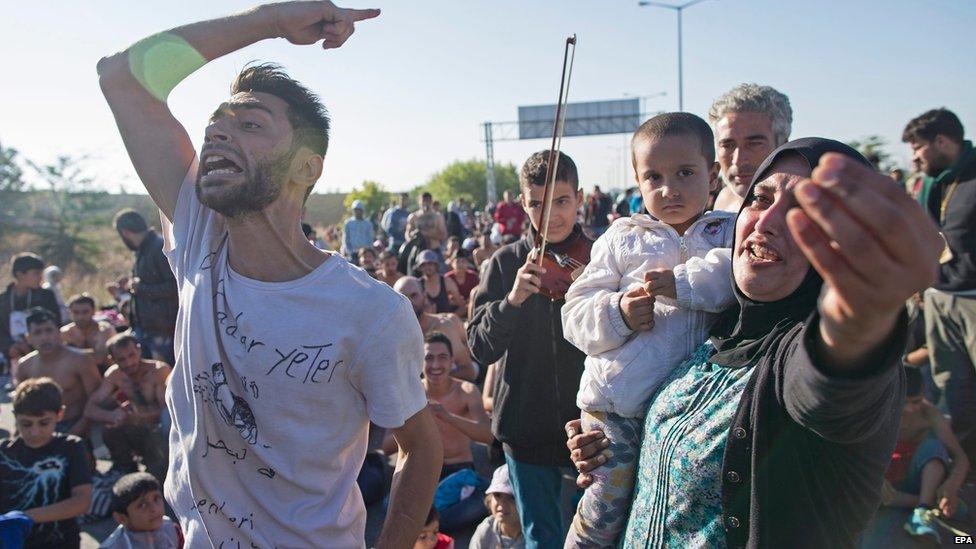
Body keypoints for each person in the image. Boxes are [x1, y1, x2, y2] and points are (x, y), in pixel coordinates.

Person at [97, 3, 442, 545]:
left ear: (307, 167)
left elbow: (421, 446)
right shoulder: (197, 235)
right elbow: (122, 77)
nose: (217, 134)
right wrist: (272, 21)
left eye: (250, 124)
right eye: (215, 124)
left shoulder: (372, 313)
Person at [567, 138, 941, 547]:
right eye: (760, 200)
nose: (766, 222)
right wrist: (610, 441)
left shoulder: (802, 354)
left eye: (804, 211)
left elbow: (829, 388)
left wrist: (859, 312)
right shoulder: (715, 328)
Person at [562, 113, 735, 547]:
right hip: (616, 407)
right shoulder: (621, 238)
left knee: (660, 520)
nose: (669, 188)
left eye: (685, 173)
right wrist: (618, 312)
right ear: (637, 182)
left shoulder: (728, 234)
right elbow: (574, 314)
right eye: (653, 177)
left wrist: (683, 283)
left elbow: (735, 274)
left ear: (712, 175)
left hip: (687, 417)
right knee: (601, 518)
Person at [468, 150, 589, 548]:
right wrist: (511, 302)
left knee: (600, 532)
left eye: (562, 201)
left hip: (591, 427)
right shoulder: (505, 263)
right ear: (523, 203)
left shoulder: (601, 257)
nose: (549, 215)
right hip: (524, 428)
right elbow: (480, 348)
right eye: (537, 203)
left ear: (580, 198)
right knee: (542, 537)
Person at [902, 109, 976, 462]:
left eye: (918, 148)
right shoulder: (932, 183)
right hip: (940, 298)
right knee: (953, 390)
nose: (914, 157)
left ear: (943, 142)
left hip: (973, 302)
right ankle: (964, 472)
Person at [384, 332, 492, 532]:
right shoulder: (409, 393)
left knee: (482, 499)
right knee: (387, 506)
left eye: (442, 358)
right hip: (420, 469)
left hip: (458, 469)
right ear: (419, 361)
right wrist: (417, 423)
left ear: (452, 361)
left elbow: (487, 435)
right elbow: (386, 446)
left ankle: (424, 525)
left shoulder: (466, 391)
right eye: (428, 358)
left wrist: (447, 416)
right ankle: (426, 525)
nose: (435, 365)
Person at [0, 378, 93, 549]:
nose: (34, 432)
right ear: (15, 416)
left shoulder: (71, 447)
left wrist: (25, 517)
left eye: (44, 423)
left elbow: (82, 500)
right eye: (26, 424)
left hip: (61, 543)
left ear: (60, 414)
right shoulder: (4, 452)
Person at [880, 367, 969, 544]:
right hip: (885, 485)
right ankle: (930, 505)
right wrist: (875, 480)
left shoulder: (930, 414)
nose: (911, 409)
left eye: (917, 401)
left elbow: (961, 459)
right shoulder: (877, 413)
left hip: (917, 479)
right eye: (904, 402)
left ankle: (922, 510)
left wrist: (951, 486)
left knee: (933, 447)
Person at [84, 333, 171, 480]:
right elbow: (90, 409)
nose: (129, 363)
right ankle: (126, 469)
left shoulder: (158, 371)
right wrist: (113, 416)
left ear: (139, 350)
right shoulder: (114, 375)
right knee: (109, 431)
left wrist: (141, 417)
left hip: (159, 430)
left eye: (131, 355)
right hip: (135, 425)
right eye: (122, 359)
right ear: (112, 360)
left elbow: (167, 410)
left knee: (158, 471)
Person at [16, 308, 101, 438]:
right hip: (37, 430)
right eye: (37, 333)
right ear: (29, 338)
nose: (44, 338)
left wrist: (74, 433)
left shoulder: (81, 360)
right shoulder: (24, 366)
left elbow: (96, 401)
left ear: (58, 333)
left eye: (49, 330)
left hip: (74, 426)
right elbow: (21, 407)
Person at [708, 83, 793, 212]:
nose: (738, 160)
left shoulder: (805, 208)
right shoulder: (724, 201)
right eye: (727, 145)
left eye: (754, 144)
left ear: (783, 146)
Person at [114, 209, 178, 367]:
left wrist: (141, 287)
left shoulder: (158, 248)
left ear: (126, 233)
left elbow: (175, 287)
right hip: (147, 327)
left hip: (163, 329)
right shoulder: (142, 250)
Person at [395, 277, 477, 381]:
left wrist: (432, 380)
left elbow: (468, 371)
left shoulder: (443, 327)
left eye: (414, 295)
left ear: (424, 295)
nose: (409, 302)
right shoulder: (391, 333)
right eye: (402, 297)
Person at [0, 253, 62, 375]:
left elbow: (56, 323)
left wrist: (33, 343)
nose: (40, 278)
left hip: (42, 350)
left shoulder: (46, 296)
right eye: (36, 273)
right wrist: (9, 347)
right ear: (20, 274)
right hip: (10, 354)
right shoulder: (3, 299)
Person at [100, 472, 183, 549]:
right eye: (142, 505)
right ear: (121, 518)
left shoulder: (173, 530)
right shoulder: (114, 546)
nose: (154, 508)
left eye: (156, 498)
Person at [471, 464, 525, 549]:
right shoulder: (486, 530)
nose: (502, 504)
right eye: (497, 495)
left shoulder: (537, 535)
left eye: (512, 497)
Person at [61, 293, 116, 371]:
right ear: (70, 312)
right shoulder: (65, 332)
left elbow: (100, 358)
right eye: (76, 312)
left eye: (85, 312)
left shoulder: (104, 330)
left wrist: (71, 351)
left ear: (93, 311)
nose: (81, 317)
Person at [417, 250, 464, 315]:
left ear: (436, 265)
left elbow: (462, 307)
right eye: (423, 265)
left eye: (430, 264)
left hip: (445, 323)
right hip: (425, 324)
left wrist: (450, 319)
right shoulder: (417, 285)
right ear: (420, 268)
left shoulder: (447, 282)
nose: (427, 267)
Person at [445, 249, 479, 319]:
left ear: (467, 263)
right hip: (453, 306)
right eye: (457, 261)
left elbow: (477, 293)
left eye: (463, 261)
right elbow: (444, 297)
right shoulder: (447, 278)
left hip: (470, 305)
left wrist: (468, 301)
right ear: (452, 263)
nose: (460, 264)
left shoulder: (473, 276)